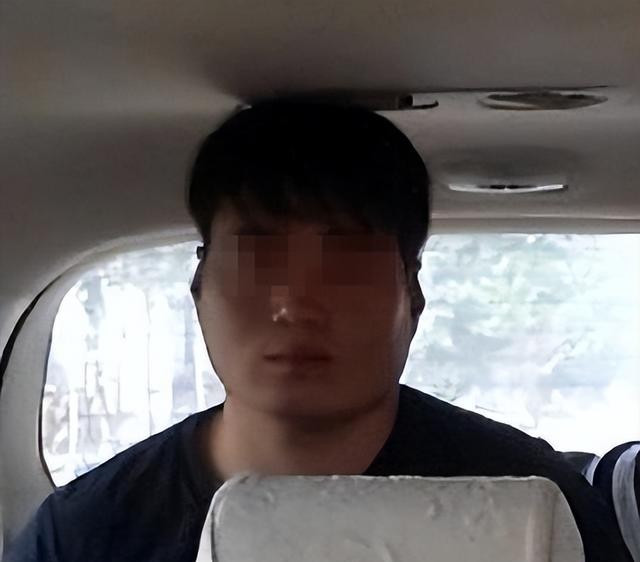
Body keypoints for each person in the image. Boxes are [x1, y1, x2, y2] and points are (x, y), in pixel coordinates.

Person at [7, 101, 631, 561]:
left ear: (412, 295)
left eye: (347, 266)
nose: (296, 305)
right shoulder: (85, 535)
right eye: (258, 261)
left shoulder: (532, 510)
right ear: (199, 286)